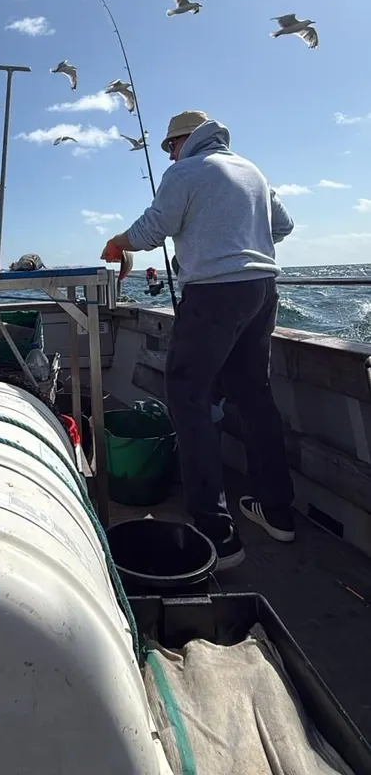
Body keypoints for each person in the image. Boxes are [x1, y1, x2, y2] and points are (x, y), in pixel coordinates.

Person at [102, 110, 295, 570]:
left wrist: (117, 242)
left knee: (187, 396)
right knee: (254, 395)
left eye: (170, 145)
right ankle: (278, 512)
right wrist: (237, 236)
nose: (168, 152)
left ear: (185, 141)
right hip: (262, 289)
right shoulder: (252, 170)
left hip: (213, 295)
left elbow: (152, 229)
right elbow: (283, 227)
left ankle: (216, 531)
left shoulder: (184, 171)